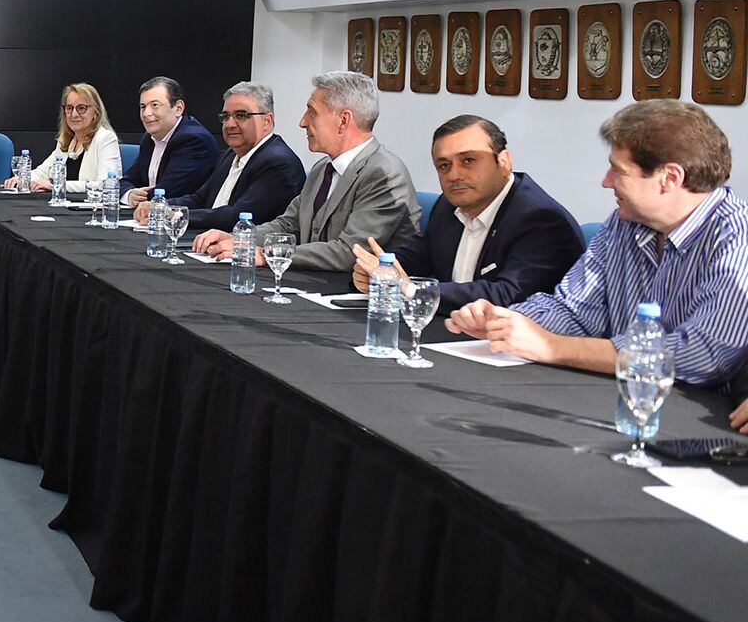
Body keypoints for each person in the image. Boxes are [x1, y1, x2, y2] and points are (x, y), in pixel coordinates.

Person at [443, 102, 748, 415]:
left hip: (701, 416)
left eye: (619, 170)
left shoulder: (736, 237)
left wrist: (551, 347)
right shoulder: (623, 223)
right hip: (620, 398)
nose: (606, 181)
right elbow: (574, 310)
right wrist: (507, 321)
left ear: (669, 178)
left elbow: (703, 357)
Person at [351, 115, 583, 311]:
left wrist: (410, 289)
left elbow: (509, 296)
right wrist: (379, 272)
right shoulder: (449, 206)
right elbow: (415, 259)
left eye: (468, 160)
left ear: (503, 161)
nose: (454, 175)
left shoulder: (541, 220)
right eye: (444, 165)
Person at [195, 71, 419, 270]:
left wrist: (267, 254)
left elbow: (349, 252)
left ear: (343, 120)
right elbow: (288, 224)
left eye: (312, 112)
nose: (302, 122)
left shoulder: (384, 174)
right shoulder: (323, 168)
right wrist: (241, 239)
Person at [134, 82, 304, 232]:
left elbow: (237, 216)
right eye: (225, 117)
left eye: (241, 115)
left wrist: (174, 215)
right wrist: (161, 206)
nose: (230, 124)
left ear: (267, 121)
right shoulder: (229, 155)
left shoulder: (278, 162)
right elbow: (200, 198)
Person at [3, 82, 120, 193]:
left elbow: (105, 184)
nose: (74, 114)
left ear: (96, 112)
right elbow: (43, 172)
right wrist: (23, 179)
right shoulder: (67, 140)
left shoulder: (105, 138)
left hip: (92, 210)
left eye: (81, 108)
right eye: (69, 108)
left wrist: (55, 185)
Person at [119, 76, 220, 201]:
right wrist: (129, 194)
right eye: (143, 107)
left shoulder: (194, 140)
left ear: (178, 108)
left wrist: (136, 196)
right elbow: (126, 181)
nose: (146, 113)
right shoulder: (150, 138)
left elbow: (166, 193)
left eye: (155, 105)